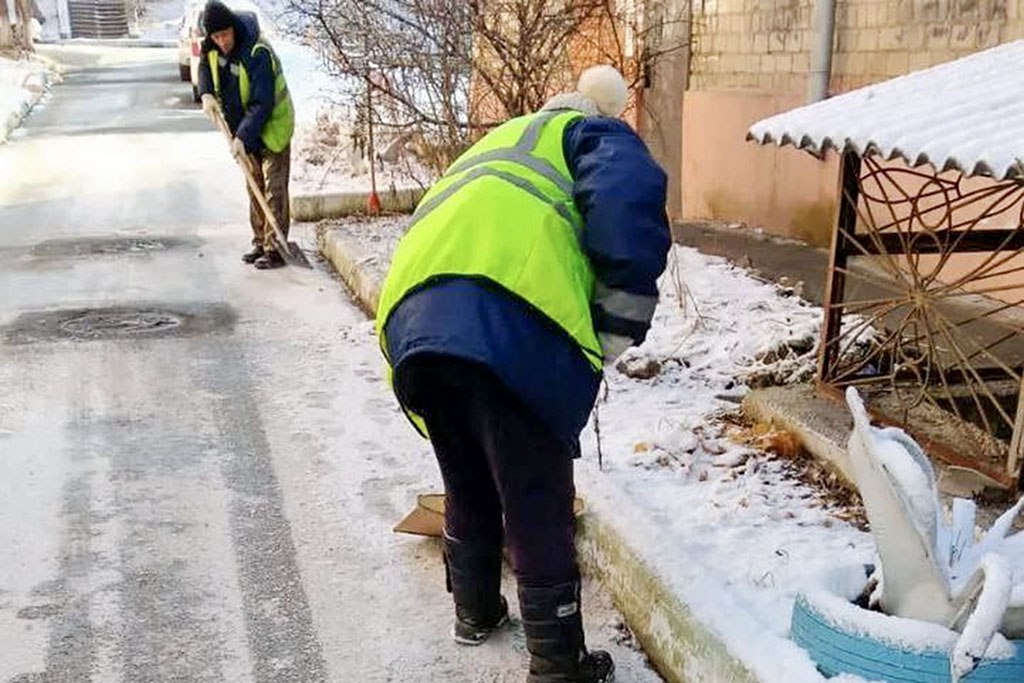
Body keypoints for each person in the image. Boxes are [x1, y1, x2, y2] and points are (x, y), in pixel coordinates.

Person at [376, 65, 670, 683]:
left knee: (467, 471)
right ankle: (558, 664)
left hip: (412, 322)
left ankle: (475, 613)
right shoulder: (594, 135)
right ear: (603, 112)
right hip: (510, 324)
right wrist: (616, 328)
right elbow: (629, 210)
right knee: (536, 496)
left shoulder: (501, 140)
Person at [197, 0, 294, 269]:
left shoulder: (257, 52)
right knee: (254, 185)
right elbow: (204, 65)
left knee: (274, 187)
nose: (221, 41)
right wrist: (205, 93)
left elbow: (262, 102)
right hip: (244, 126)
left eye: (225, 34)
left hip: (273, 123)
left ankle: (276, 248)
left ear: (234, 29)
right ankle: (260, 241)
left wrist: (241, 137)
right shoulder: (212, 47)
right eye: (216, 37)